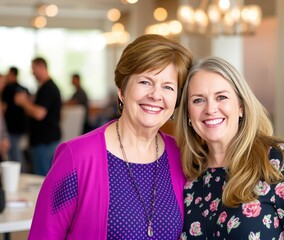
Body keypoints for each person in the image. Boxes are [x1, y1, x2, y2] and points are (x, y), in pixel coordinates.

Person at [28, 34, 193, 239]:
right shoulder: (77, 157)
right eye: (145, 81)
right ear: (122, 90)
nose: (156, 95)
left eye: (168, 87)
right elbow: (44, 235)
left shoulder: (181, 155)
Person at [175, 56, 284, 239]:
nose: (210, 109)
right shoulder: (190, 175)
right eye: (198, 100)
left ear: (241, 106)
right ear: (188, 114)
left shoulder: (276, 160)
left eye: (221, 97)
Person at [15, 57, 62, 176]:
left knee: (42, 179)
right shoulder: (44, 87)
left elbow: (39, 113)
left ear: (41, 67)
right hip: (44, 140)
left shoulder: (48, 88)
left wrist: (23, 102)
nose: (32, 72)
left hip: (44, 141)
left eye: (33, 68)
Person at [1, 66, 29, 166]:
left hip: (11, 126)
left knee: (14, 154)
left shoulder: (7, 89)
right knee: (17, 151)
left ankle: (19, 174)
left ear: (12, 74)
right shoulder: (24, 88)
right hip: (22, 126)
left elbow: (3, 108)